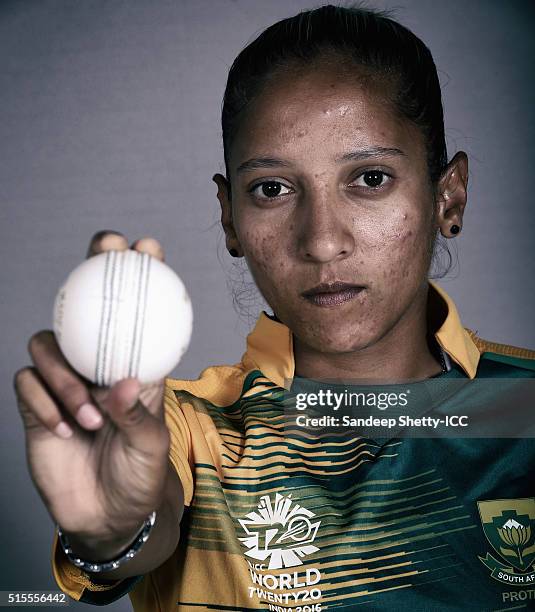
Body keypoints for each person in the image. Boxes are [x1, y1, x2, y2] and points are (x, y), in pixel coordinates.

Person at [14, 4, 535, 611]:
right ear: (230, 216)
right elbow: (141, 519)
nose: (320, 241)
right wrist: (109, 531)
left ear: (449, 196)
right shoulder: (182, 432)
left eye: (370, 179)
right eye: (272, 189)